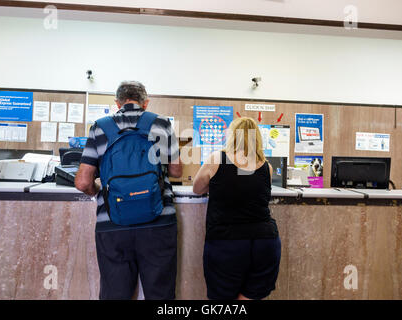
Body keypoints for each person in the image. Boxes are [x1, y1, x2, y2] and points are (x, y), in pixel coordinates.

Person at [75, 81, 182, 300]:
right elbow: (176, 170)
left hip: (113, 224)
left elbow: (83, 182)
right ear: (146, 102)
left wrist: (99, 190)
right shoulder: (161, 124)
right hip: (158, 224)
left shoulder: (100, 127)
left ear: (117, 103)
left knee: (115, 294)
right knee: (160, 294)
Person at [193, 117, 281, 300]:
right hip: (265, 242)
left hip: (227, 243)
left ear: (232, 136)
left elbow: (197, 188)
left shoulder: (217, 159)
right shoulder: (267, 166)